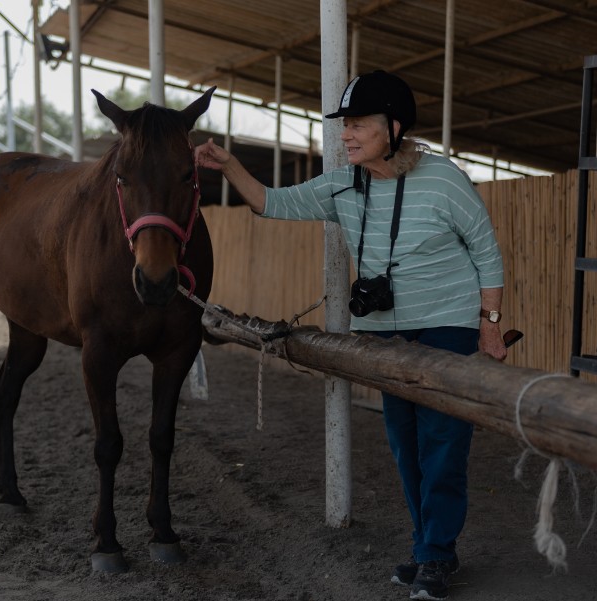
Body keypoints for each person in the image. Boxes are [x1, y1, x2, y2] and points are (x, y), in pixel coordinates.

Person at [194, 70, 506, 601]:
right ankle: (429, 548)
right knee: (405, 446)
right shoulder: (342, 183)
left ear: (395, 127)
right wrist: (230, 166)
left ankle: (434, 555)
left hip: (448, 325)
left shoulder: (445, 179)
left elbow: (486, 252)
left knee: (443, 446)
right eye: (345, 126)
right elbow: (273, 202)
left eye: (358, 124)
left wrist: (490, 327)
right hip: (381, 333)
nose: (346, 135)